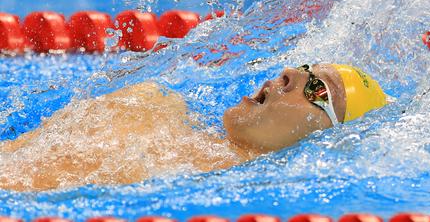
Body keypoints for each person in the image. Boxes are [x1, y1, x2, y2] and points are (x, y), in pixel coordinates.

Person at [0, 64, 388, 192]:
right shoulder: (156, 105)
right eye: (303, 68)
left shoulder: (214, 181)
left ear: (326, 139)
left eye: (317, 88)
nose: (289, 74)